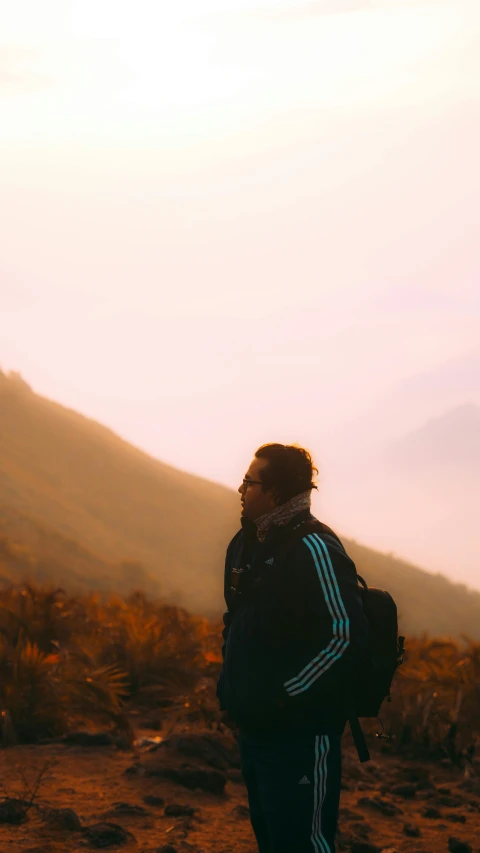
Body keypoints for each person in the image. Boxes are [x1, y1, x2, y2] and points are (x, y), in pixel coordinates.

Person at [216, 443, 369, 853]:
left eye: (250, 482)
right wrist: (229, 690)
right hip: (255, 729)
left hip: (301, 734)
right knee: (270, 835)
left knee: (302, 840)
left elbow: (343, 637)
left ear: (277, 493)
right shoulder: (244, 543)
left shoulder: (315, 549)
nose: (241, 489)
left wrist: (283, 697)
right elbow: (235, 622)